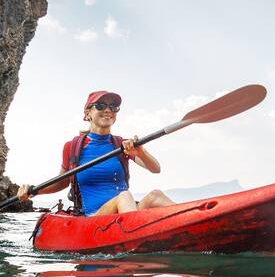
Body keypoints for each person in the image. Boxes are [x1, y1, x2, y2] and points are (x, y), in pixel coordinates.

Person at [17, 90, 176, 215]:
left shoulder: (122, 144)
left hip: (127, 211)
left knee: (156, 195)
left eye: (113, 107)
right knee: (125, 196)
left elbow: (155, 169)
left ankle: (199, 223)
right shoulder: (72, 147)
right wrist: (33, 191)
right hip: (95, 217)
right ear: (87, 114)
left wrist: (141, 152)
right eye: (100, 105)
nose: (108, 110)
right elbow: (62, 182)